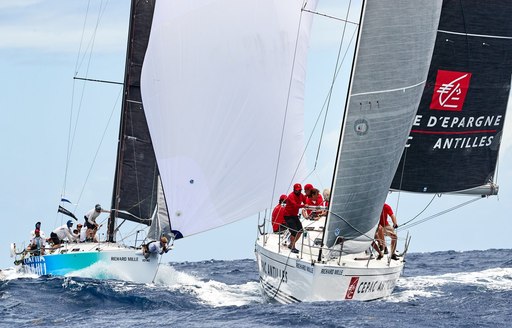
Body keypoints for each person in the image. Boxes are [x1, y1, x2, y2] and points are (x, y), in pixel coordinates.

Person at [283, 183, 307, 253]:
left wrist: (307, 204)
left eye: (300, 190)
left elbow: (305, 200)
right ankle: (293, 247)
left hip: (294, 215)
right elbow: (295, 205)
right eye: (297, 190)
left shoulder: (301, 195)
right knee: (294, 232)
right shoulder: (291, 196)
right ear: (294, 190)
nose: (298, 191)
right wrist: (304, 205)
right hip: (288, 216)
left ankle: (291, 244)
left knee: (300, 231)